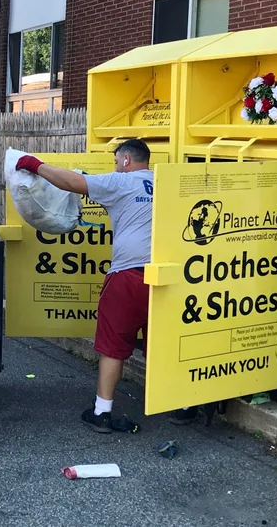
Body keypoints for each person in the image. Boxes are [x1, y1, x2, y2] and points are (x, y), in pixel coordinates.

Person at [14, 139, 208, 433]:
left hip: (128, 276)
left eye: (117, 160)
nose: (116, 165)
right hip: (168, 276)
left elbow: (72, 182)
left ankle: (102, 412)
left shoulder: (122, 181)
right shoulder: (165, 183)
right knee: (165, 343)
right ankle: (183, 405)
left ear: (126, 160)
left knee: (113, 347)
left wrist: (35, 165)